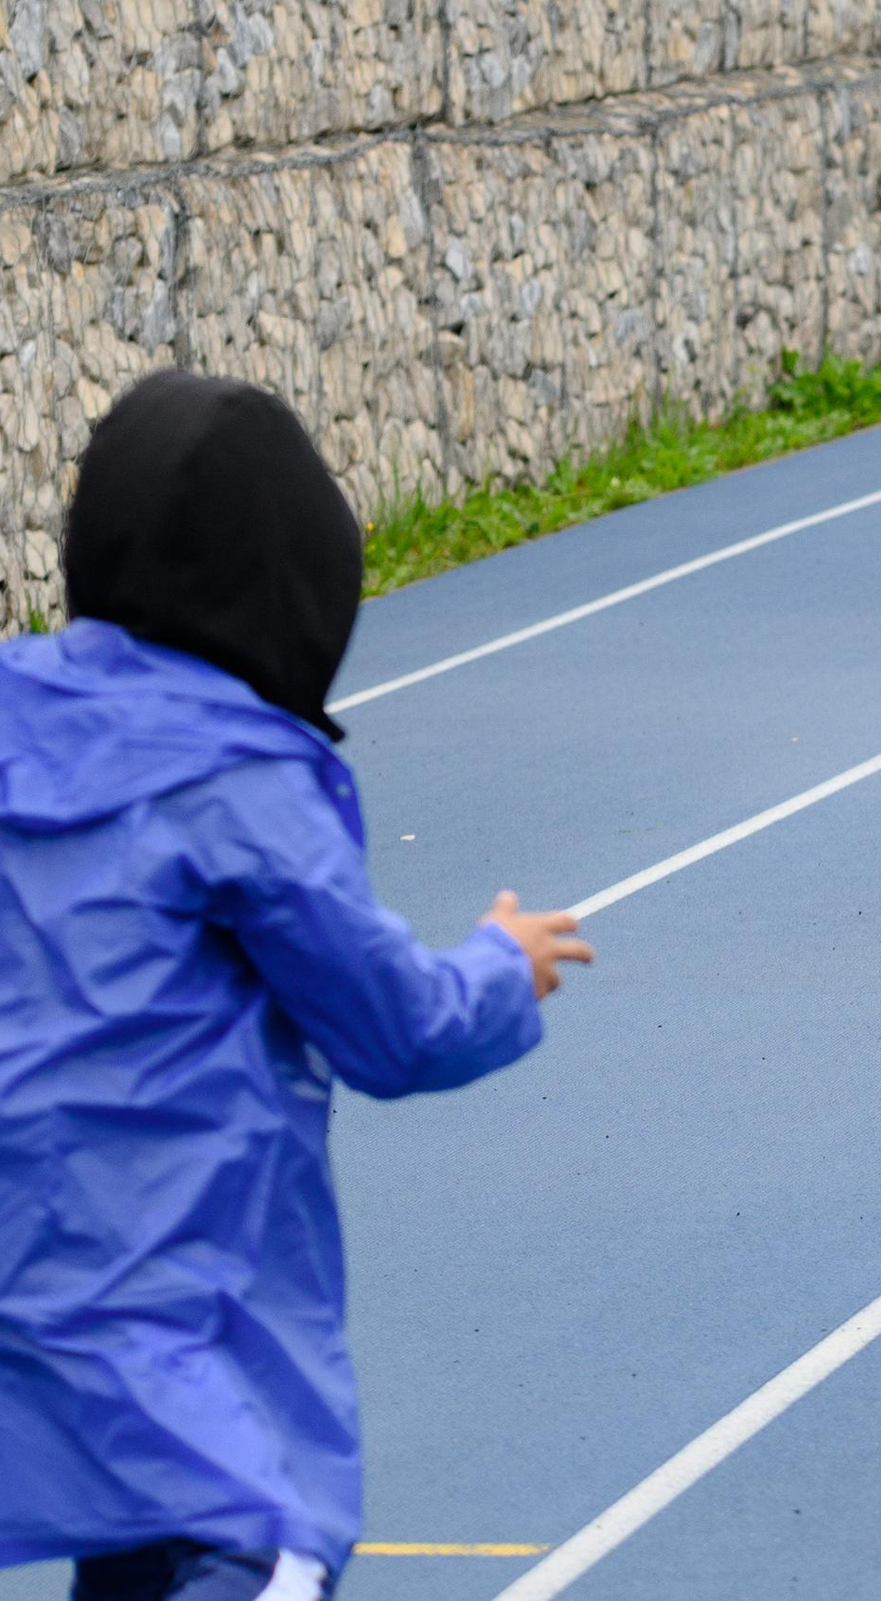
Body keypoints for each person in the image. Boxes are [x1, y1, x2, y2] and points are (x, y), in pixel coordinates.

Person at [0, 372, 593, 1599]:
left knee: (138, 1544)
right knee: (261, 1537)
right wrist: (499, 963)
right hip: (155, 1294)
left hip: (26, 1291)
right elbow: (393, 1028)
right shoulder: (242, 777)